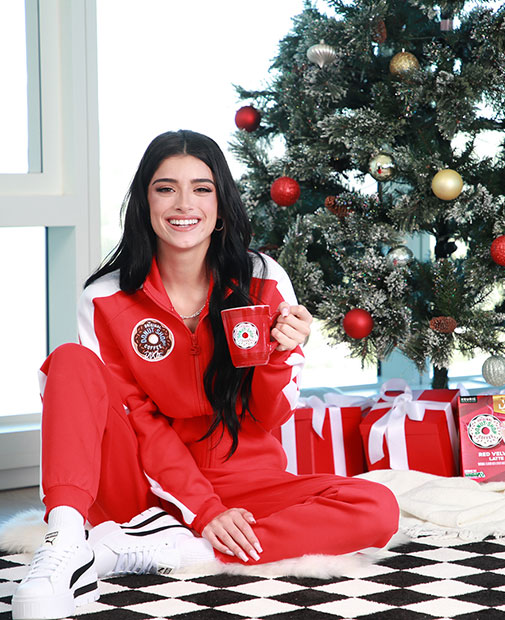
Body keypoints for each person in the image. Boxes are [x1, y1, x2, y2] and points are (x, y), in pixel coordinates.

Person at [12, 130, 400, 620]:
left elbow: (270, 416)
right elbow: (140, 421)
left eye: (201, 188)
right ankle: (65, 542)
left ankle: (181, 550)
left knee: (377, 506)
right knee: (69, 360)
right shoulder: (106, 297)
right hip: (142, 485)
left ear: (220, 204)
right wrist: (205, 509)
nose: (184, 203)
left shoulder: (263, 279)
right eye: (165, 188)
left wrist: (279, 354)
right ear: (145, 202)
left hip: (245, 481)